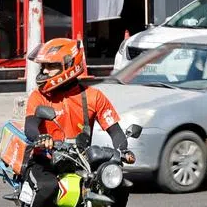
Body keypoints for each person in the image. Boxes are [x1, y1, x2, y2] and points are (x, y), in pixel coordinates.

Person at [21, 37, 135, 207]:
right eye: (43, 66)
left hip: (81, 161)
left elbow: (115, 131)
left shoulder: (93, 96)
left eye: (51, 66)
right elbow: (30, 125)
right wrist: (42, 138)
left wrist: (123, 150)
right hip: (45, 160)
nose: (44, 71)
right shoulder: (39, 96)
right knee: (47, 188)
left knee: (118, 184)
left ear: (70, 65)